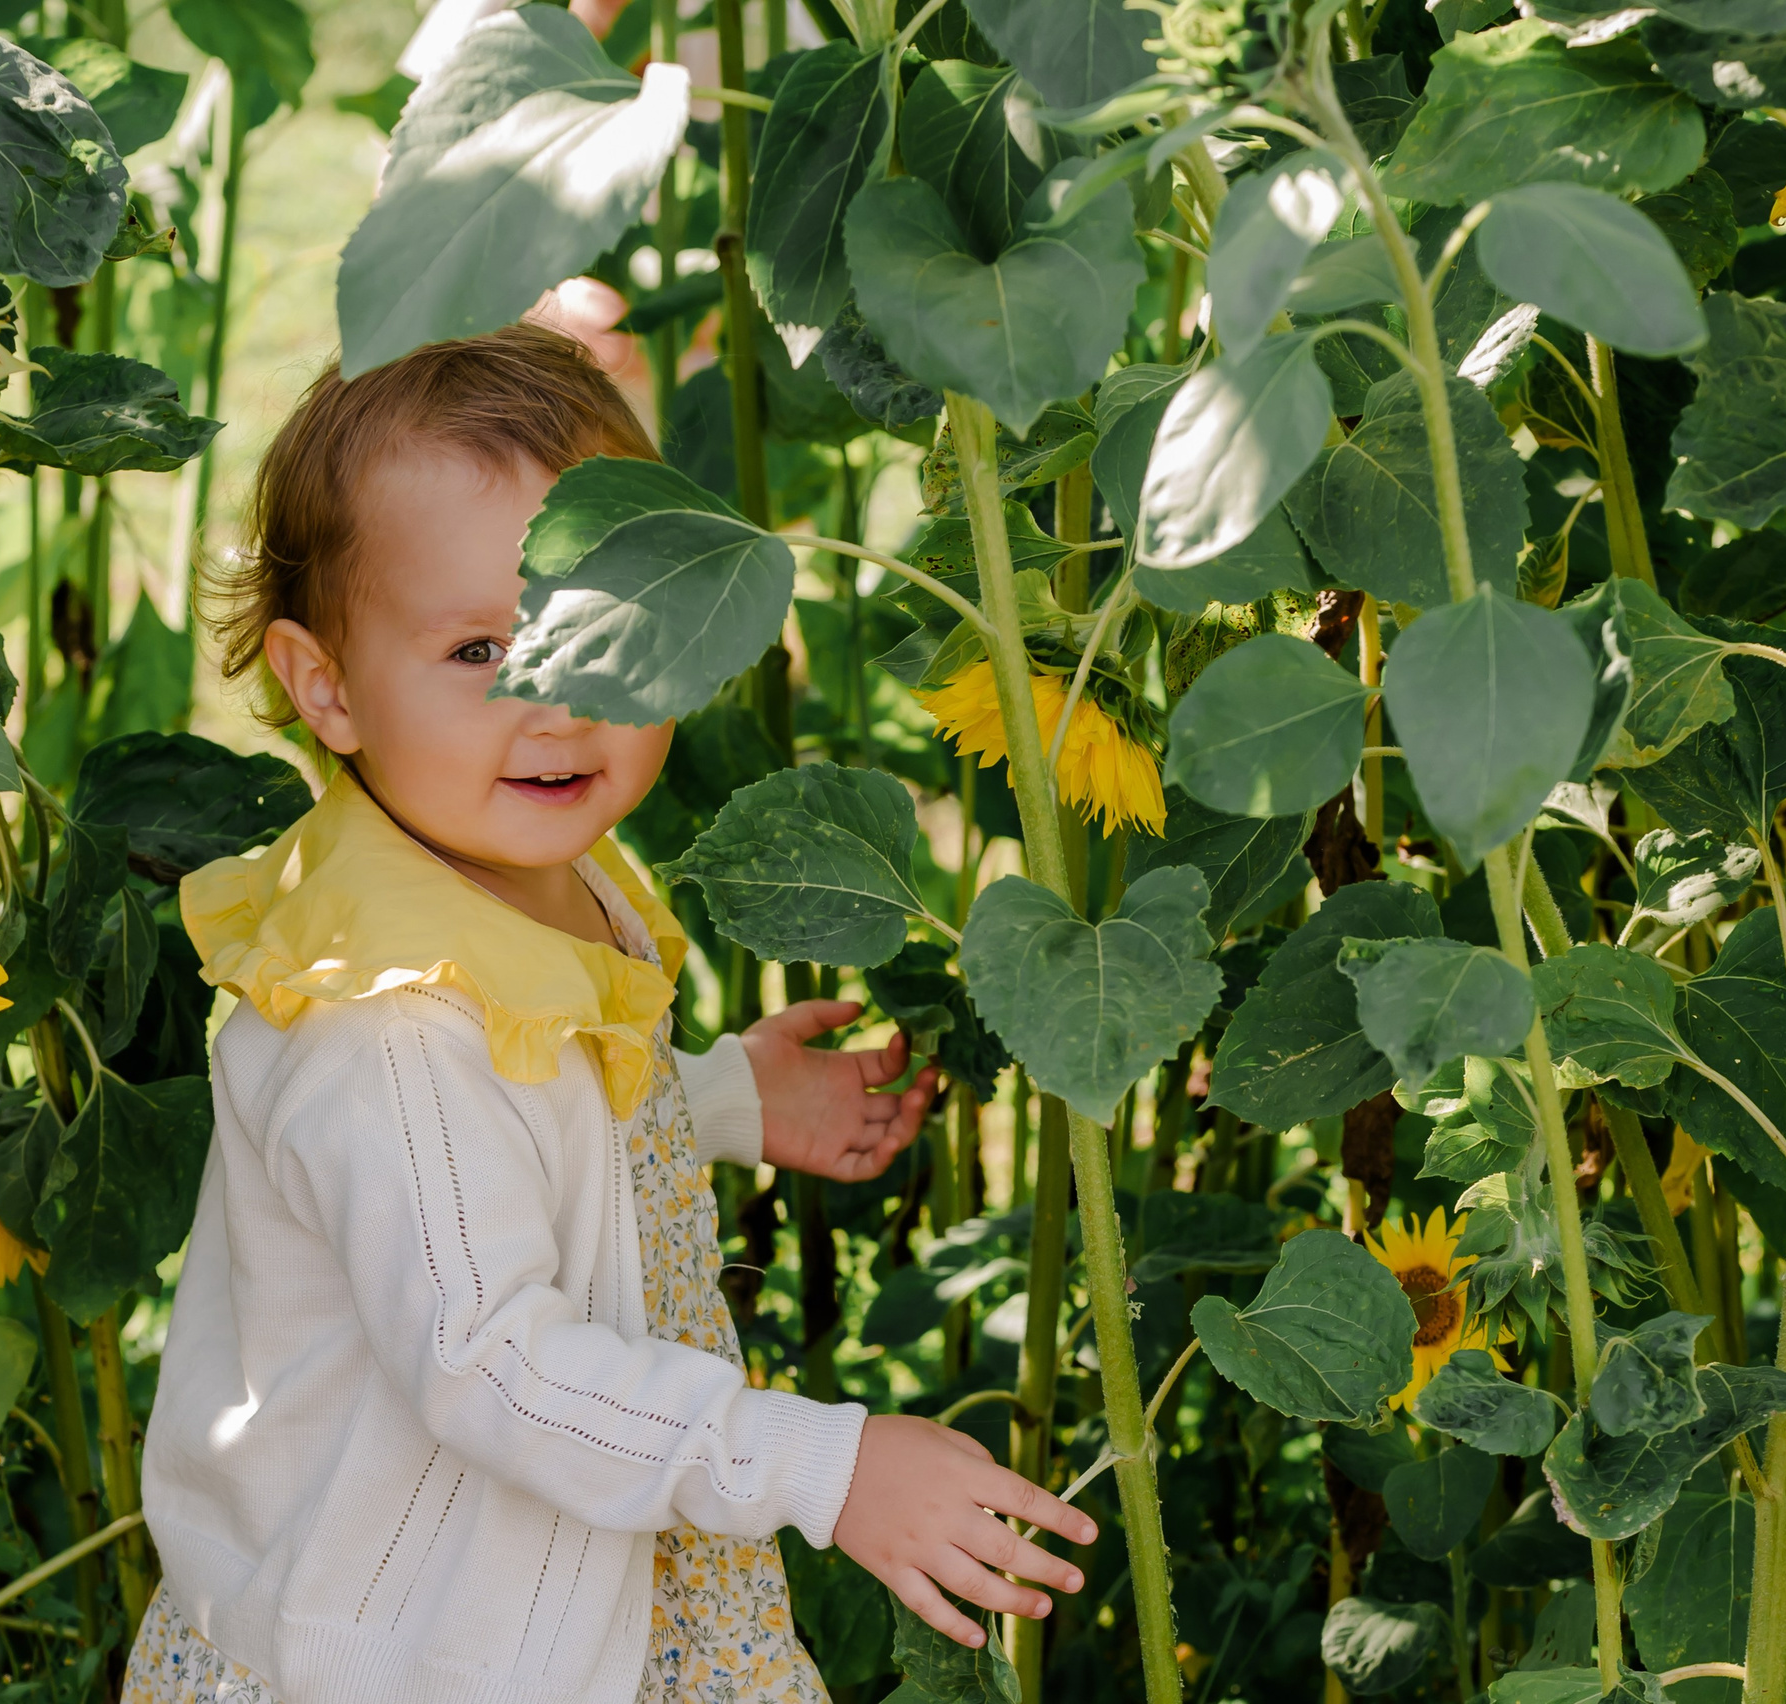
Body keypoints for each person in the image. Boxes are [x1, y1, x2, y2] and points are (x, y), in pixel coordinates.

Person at [128, 323, 1095, 1704]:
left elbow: (531, 1127)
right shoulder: (386, 1026)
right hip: (416, 1655)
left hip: (551, 1604)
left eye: (601, 627)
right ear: (325, 685)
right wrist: (827, 1468)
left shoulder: (515, 863)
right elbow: (495, 1366)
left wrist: (721, 1101)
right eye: (476, 647)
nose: (555, 701)